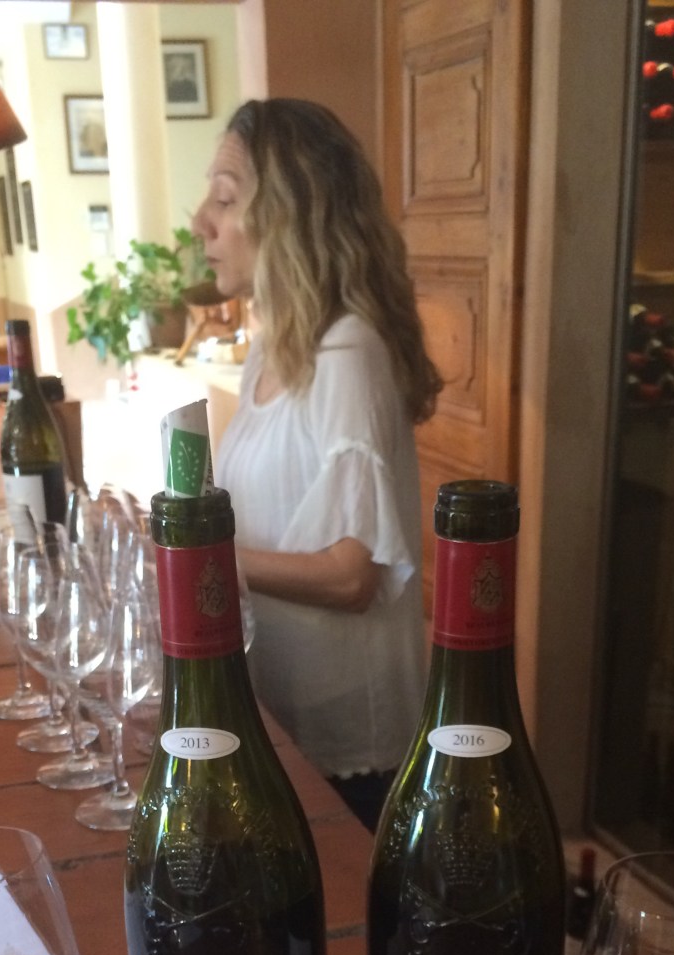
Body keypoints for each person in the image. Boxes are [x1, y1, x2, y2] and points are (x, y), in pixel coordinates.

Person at [191, 99, 442, 831]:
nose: (201, 221)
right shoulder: (272, 352)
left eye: (226, 199)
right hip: (276, 713)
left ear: (291, 215)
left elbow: (350, 576)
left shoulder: (346, 353)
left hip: (347, 746)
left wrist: (199, 560)